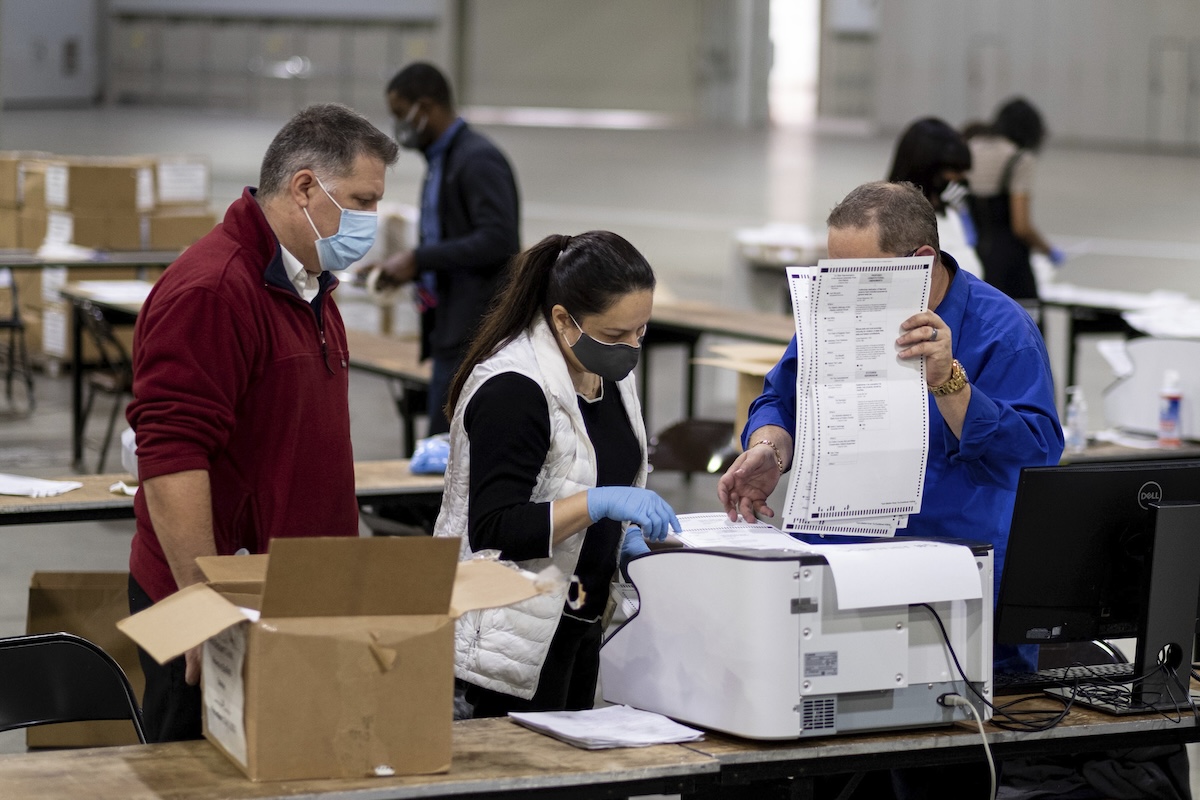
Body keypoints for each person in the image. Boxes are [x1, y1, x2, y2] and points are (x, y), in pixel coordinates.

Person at [125, 104, 399, 742]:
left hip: (291, 596)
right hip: (217, 608)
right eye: (360, 201)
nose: (369, 223)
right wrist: (201, 603)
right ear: (305, 187)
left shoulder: (310, 285)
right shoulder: (214, 291)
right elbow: (171, 456)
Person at [718, 181, 1063, 665]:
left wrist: (951, 385)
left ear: (921, 259)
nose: (845, 293)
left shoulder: (1002, 332)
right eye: (835, 277)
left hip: (952, 585)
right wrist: (769, 447)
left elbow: (1036, 453)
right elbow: (783, 396)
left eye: (862, 278)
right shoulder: (837, 309)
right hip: (838, 567)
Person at [434, 230, 679, 717]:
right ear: (564, 320)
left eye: (641, 331)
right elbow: (495, 527)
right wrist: (597, 505)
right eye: (615, 335)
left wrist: (622, 535)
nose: (631, 349)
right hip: (503, 641)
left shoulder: (608, 374)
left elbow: (606, 464)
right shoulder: (514, 389)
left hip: (576, 623)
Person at [373, 61, 521, 434]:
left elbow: (498, 240)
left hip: (473, 333)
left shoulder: (477, 160)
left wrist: (419, 259)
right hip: (448, 328)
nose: (399, 126)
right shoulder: (442, 160)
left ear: (426, 107)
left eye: (401, 115)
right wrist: (405, 267)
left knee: (449, 446)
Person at [966, 97, 1064, 307]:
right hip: (1010, 263)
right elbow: (1021, 226)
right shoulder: (1019, 159)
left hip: (974, 255)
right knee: (1026, 322)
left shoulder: (971, 148)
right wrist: (1049, 250)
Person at [887, 117, 984, 279]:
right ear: (926, 169)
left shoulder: (952, 212)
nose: (959, 179)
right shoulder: (889, 219)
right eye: (954, 170)